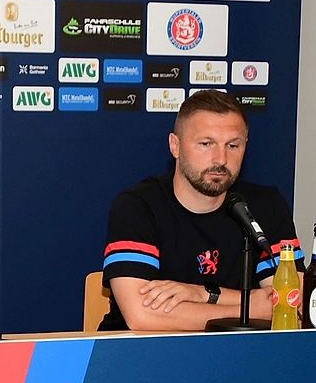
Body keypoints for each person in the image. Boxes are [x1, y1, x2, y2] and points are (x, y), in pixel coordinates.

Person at [100, 90, 303, 331]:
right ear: (175, 146)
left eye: (233, 145)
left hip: (239, 357)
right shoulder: (138, 206)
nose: (220, 159)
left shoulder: (265, 204)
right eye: (206, 144)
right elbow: (143, 316)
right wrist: (250, 305)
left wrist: (202, 293)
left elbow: (291, 305)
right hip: (144, 357)